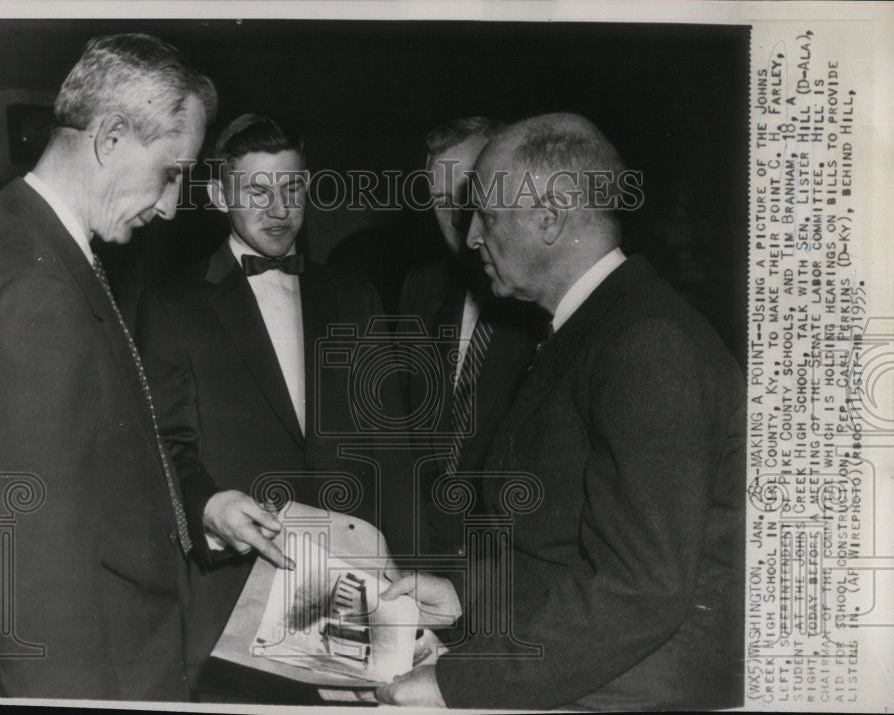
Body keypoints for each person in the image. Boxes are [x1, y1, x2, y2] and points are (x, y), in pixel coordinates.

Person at [377, 112, 745, 710]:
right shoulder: (600, 327)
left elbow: (638, 593)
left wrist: (454, 684)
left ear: (548, 219)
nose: (471, 237)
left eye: (488, 217)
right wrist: (464, 597)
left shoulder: (647, 343)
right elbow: (568, 547)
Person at [0, 34, 217, 699]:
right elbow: (39, 595)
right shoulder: (35, 290)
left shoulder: (2, 240)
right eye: (171, 171)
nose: (171, 205)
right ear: (110, 137)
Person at [135, 114, 411, 690]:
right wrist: (208, 504)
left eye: (291, 188)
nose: (278, 209)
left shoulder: (355, 296)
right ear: (217, 195)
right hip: (234, 592)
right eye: (256, 191)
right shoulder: (172, 305)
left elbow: (391, 450)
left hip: (352, 588)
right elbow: (164, 445)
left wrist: (408, 585)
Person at [399, 117, 545, 554]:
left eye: (472, 195)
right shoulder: (420, 291)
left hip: (510, 561)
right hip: (423, 553)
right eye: (443, 201)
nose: (460, 218)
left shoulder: (545, 301)